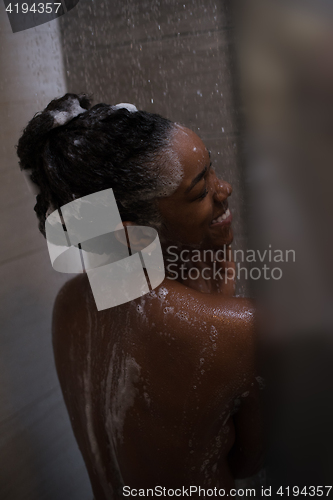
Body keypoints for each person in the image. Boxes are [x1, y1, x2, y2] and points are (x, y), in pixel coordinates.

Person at [17, 94, 263, 499]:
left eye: (211, 170)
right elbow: (248, 462)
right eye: (200, 190)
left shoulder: (70, 305)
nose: (224, 188)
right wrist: (220, 308)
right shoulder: (236, 332)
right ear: (129, 230)